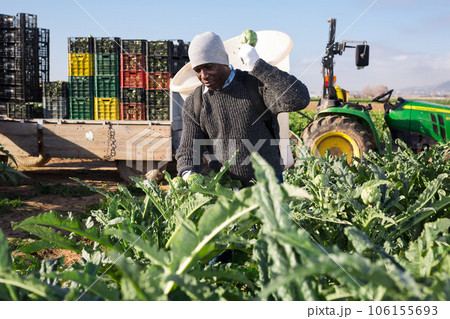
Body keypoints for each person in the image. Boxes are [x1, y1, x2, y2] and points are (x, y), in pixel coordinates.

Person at [175, 31, 310, 187]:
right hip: (226, 189)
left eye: (208, 67)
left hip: (268, 184)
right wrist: (187, 173)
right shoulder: (195, 102)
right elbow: (188, 149)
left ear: (223, 61)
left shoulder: (254, 85)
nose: (203, 75)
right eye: (197, 70)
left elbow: (298, 99)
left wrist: (258, 66)